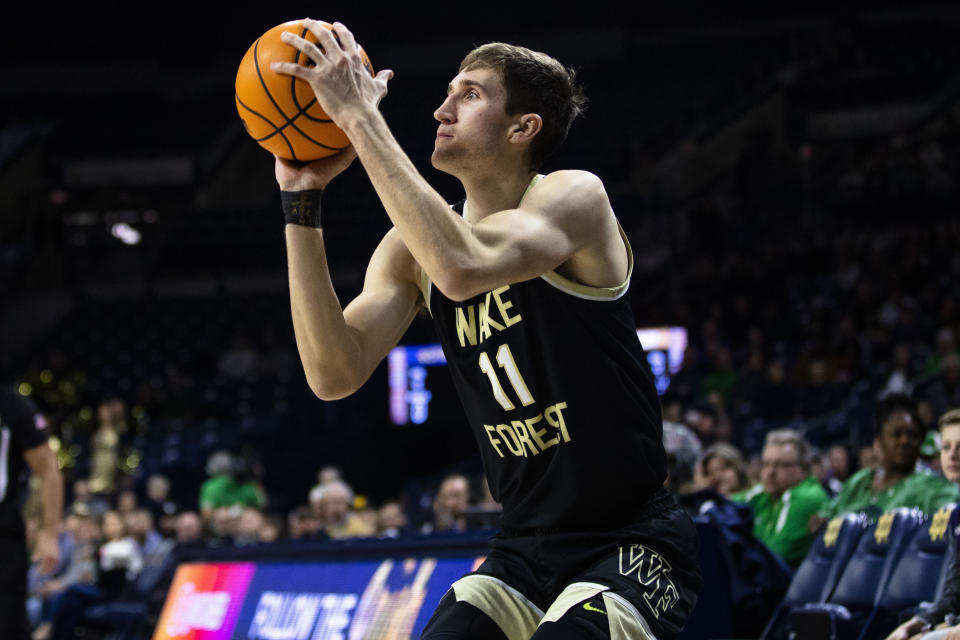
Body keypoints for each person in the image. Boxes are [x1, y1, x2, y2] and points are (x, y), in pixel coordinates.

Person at [271, 22, 701, 638]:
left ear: (523, 128)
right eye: (448, 92)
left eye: (470, 95)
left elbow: (465, 266)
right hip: (523, 548)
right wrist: (301, 202)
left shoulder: (573, 197)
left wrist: (361, 118)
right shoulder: (408, 250)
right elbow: (333, 373)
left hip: (631, 539)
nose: (442, 109)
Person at [813, 394, 958, 528]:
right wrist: (820, 522)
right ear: (879, 440)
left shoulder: (934, 488)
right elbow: (826, 515)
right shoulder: (859, 481)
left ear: (920, 442)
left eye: (913, 435)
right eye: (896, 434)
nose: (904, 441)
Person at [885, 408, 960, 640]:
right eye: (946, 447)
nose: (953, 455)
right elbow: (953, 596)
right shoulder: (956, 516)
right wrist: (917, 623)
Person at [1, 387, 63, 640]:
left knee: (9, 624)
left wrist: (50, 532)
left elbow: (48, 469)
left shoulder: (11, 405)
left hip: (3, 530)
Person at [731, 430, 830, 566]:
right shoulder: (766, 492)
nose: (770, 473)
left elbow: (776, 555)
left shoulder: (807, 497)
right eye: (766, 464)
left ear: (804, 469)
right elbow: (721, 505)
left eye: (782, 465)